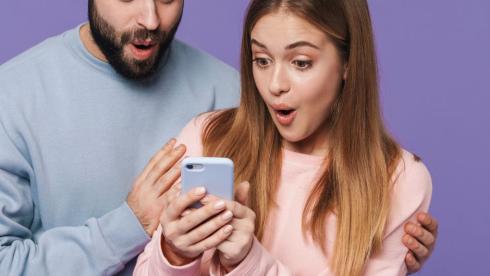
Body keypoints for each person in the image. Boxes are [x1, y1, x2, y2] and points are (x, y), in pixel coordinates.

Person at [0, 0, 436, 275]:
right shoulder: (14, 95)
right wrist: (149, 236)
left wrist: (386, 239)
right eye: (261, 61)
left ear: (347, 63)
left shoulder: (233, 96)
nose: (150, 18)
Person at [133, 0, 435, 275]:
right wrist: (174, 253)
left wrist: (248, 263)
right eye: (262, 60)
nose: (275, 85)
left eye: (300, 62)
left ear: (348, 62)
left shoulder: (398, 181)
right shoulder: (206, 138)